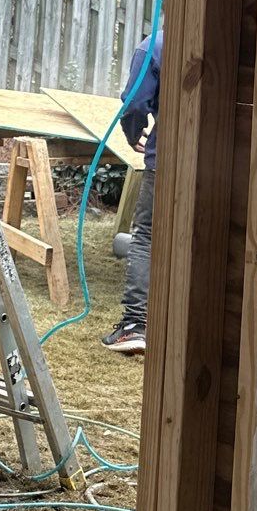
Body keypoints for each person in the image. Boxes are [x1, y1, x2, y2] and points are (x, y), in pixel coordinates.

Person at [104, 27, 162, 355]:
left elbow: (136, 102)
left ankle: (136, 325)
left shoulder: (153, 46)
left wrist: (132, 132)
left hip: (165, 160)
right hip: (217, 164)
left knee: (146, 237)